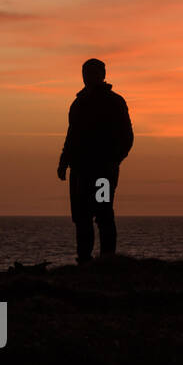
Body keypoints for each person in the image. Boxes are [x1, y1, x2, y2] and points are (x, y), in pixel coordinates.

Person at [57, 58, 134, 263]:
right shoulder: (78, 103)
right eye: (86, 72)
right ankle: (84, 260)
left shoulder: (114, 101)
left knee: (103, 213)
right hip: (80, 171)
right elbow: (71, 135)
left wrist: (113, 161)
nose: (88, 76)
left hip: (103, 172)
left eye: (93, 72)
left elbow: (127, 137)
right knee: (81, 216)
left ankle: (107, 260)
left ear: (102, 75)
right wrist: (64, 161)